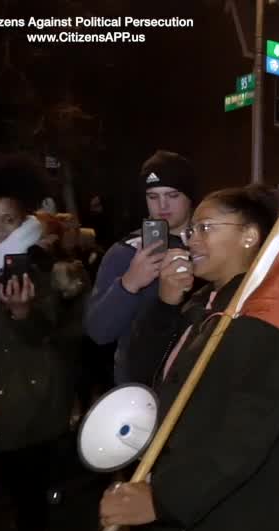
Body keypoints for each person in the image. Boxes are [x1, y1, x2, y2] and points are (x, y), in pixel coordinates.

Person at [99, 186, 279, 531]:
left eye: (205, 228)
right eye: (191, 231)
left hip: (224, 518)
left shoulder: (266, 315)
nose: (191, 240)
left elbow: (244, 437)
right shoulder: (205, 303)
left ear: (249, 236)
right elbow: (142, 371)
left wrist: (163, 499)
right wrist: (166, 304)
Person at [0, 153, 79, 531]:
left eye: (7, 220)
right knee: (1, 452)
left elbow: (54, 331)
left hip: (28, 391)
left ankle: (34, 527)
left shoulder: (41, 264)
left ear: (23, 219)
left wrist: (24, 313)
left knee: (27, 473)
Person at [84, 150, 198, 385]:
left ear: (190, 197)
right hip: (140, 389)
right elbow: (98, 332)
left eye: (173, 195)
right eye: (153, 197)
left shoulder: (208, 248)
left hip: (196, 384)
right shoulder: (125, 252)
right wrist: (129, 283)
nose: (162, 205)